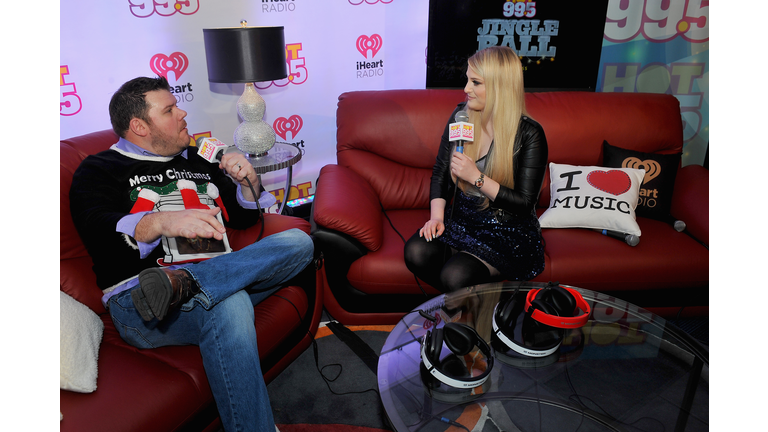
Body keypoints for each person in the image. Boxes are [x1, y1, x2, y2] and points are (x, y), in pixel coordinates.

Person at [69, 76, 314, 432]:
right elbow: (98, 226)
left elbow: (245, 216)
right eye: (169, 109)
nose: (183, 112)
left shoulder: (199, 158)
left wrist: (249, 181)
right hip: (142, 300)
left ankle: (189, 281)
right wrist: (161, 221)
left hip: (212, 275)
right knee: (230, 303)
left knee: (300, 242)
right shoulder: (99, 169)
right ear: (139, 126)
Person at [404, 46, 548, 293]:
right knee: (416, 251)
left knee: (454, 277)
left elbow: (524, 203)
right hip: (462, 223)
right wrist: (437, 217)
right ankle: (463, 307)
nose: (466, 89)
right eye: (467, 80)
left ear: (499, 87)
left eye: (475, 82)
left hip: (505, 233)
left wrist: (477, 178)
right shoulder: (462, 116)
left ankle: (467, 316)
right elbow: (440, 170)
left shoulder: (530, 134)